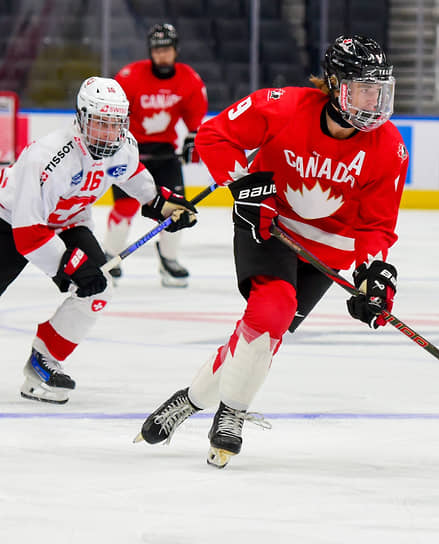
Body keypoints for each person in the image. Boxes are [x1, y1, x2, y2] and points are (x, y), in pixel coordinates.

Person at [135, 35, 409, 468]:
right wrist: (244, 188)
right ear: (335, 87)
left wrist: (374, 274)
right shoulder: (282, 107)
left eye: (378, 90)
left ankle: (188, 401)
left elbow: (376, 226)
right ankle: (232, 413)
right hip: (269, 225)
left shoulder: (389, 148)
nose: (373, 102)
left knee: (262, 335)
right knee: (272, 311)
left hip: (327, 252)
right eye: (362, 89)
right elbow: (214, 136)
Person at [0, 76, 198, 404]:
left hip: (68, 222)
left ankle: (42, 361)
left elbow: (134, 178)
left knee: (96, 287)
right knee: (85, 274)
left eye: (116, 124)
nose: (109, 134)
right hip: (9, 221)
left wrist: (163, 204)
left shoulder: (123, 147)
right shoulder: (49, 156)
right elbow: (28, 232)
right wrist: (71, 265)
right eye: (100, 123)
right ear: (81, 118)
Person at [103, 23, 208, 287]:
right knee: (125, 206)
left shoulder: (188, 78)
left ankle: (169, 260)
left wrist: (193, 135)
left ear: (175, 50)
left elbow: (195, 112)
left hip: (165, 153)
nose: (162, 55)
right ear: (151, 51)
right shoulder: (130, 76)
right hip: (132, 151)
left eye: (167, 49)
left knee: (176, 208)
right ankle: (109, 255)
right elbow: (115, 112)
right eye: (157, 50)